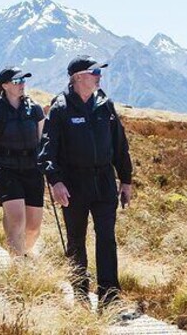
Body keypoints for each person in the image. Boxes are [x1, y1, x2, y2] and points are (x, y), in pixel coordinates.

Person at [38, 55, 133, 308]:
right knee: (76, 240)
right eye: (94, 72)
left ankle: (109, 296)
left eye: (99, 72)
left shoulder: (105, 105)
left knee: (106, 237)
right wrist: (55, 181)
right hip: (73, 184)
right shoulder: (60, 108)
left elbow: (120, 146)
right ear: (78, 77)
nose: (99, 76)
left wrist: (126, 179)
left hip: (103, 182)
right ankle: (80, 292)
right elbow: (47, 151)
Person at [0, 68, 46, 256]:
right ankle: (17, 267)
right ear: (5, 86)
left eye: (23, 80)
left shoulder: (35, 109)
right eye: (17, 81)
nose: (22, 84)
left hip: (33, 169)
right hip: (6, 169)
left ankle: (22, 252)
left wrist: (52, 170)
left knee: (33, 227)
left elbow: (44, 142)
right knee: (17, 220)